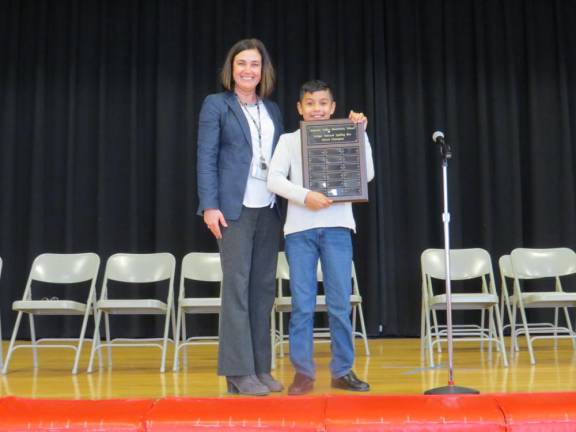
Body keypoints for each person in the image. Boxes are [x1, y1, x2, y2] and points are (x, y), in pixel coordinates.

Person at [267, 79, 374, 395]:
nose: (317, 109)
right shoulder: (288, 141)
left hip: (338, 228)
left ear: (333, 107)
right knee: (302, 304)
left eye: (323, 103)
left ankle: (342, 371)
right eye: (310, 103)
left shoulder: (348, 134)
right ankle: (303, 374)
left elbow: (365, 176)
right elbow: (273, 179)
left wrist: (361, 135)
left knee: (340, 302)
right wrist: (304, 196)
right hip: (300, 230)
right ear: (300, 108)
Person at [196, 38, 284, 396]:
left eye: (255, 64)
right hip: (232, 210)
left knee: (262, 290)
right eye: (242, 64)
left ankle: (260, 368)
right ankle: (237, 371)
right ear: (231, 69)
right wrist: (209, 205)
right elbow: (205, 157)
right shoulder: (216, 105)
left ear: (264, 71)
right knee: (236, 288)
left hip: (269, 209)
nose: (249, 70)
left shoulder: (273, 110)